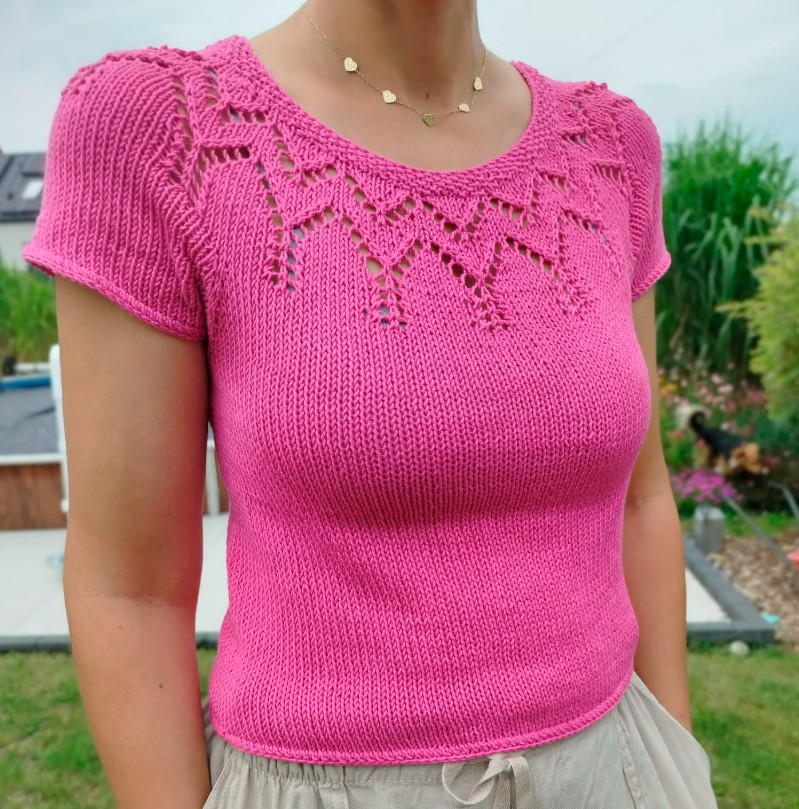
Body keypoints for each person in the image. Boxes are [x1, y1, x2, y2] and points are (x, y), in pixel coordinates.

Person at [23, 1, 720, 806]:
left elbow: (641, 500)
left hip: (619, 769)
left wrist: (673, 761)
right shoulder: (163, 129)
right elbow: (129, 586)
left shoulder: (610, 145)